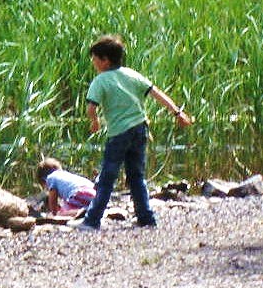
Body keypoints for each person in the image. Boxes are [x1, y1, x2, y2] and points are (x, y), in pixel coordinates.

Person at [78, 35, 194, 230]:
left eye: (95, 59)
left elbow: (91, 107)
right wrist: (178, 113)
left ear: (104, 60)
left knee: (107, 177)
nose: (93, 63)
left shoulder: (100, 80)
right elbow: (157, 94)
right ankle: (146, 218)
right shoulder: (132, 74)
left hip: (119, 134)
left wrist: (94, 120)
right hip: (140, 129)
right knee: (136, 176)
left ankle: (92, 220)